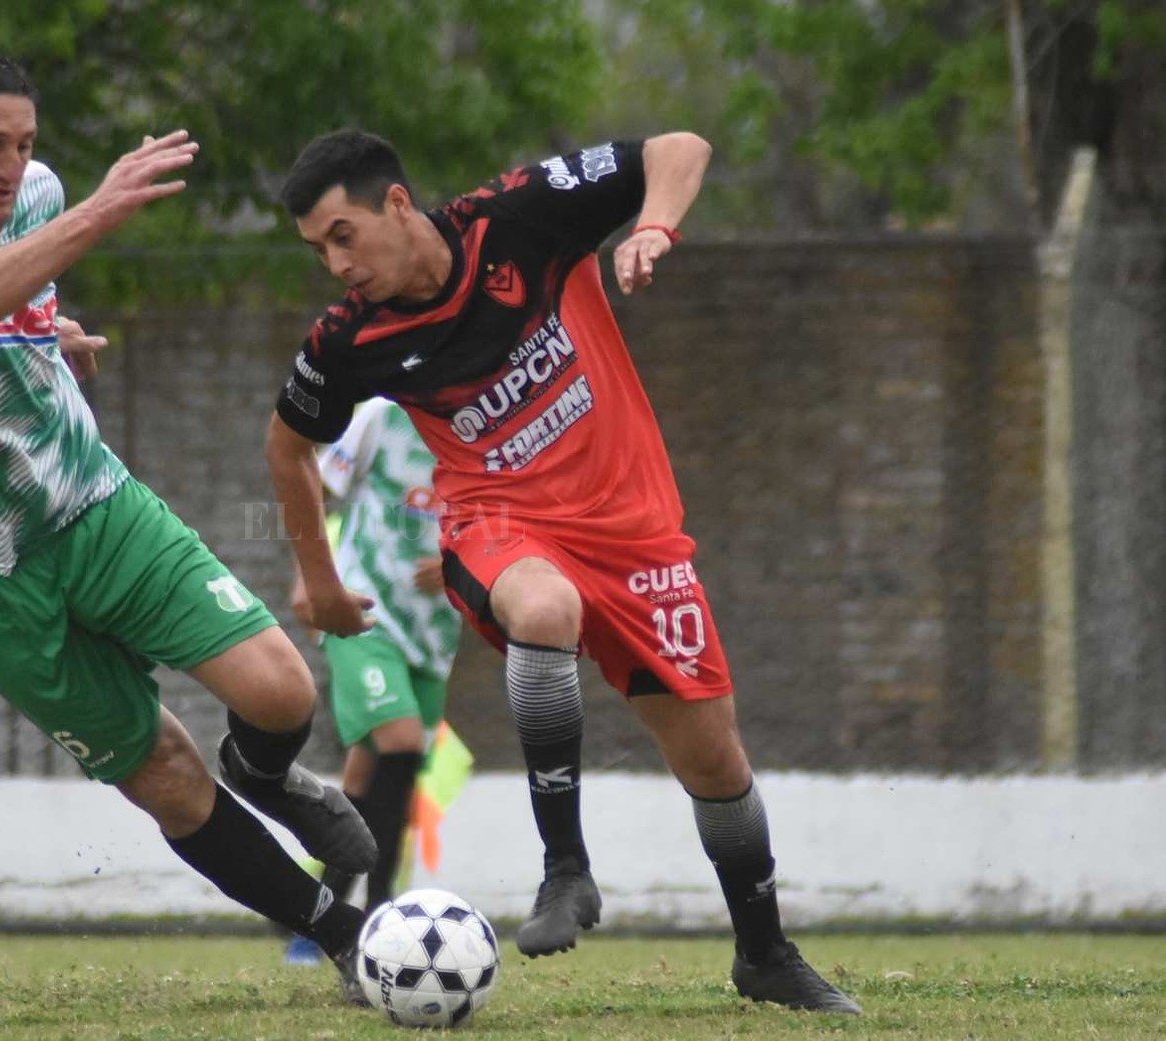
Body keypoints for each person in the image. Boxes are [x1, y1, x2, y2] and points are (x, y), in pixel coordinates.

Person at [264, 128, 862, 1014]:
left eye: (342, 234)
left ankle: (764, 954)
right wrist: (315, 578)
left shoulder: (517, 220)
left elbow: (680, 146)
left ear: (397, 202)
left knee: (714, 761)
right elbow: (287, 446)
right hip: (495, 523)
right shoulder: (353, 336)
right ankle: (565, 869)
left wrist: (653, 227)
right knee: (543, 607)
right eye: (318, 249)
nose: (334, 264)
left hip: (634, 534)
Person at [0, 51, 375, 1003]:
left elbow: (9, 307)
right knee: (165, 773)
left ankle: (269, 778)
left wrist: (54, 335)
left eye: (24, 145)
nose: (10, 167)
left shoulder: (37, 196)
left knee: (281, 689)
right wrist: (103, 209)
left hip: (90, 502)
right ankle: (342, 933)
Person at [283, 398, 464, 965]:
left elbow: (509, 520)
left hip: (437, 630)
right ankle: (384, 915)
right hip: (365, 612)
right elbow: (310, 479)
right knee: (401, 742)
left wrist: (461, 564)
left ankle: (315, 918)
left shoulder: (485, 421)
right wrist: (308, 579)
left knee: (374, 770)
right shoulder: (382, 416)